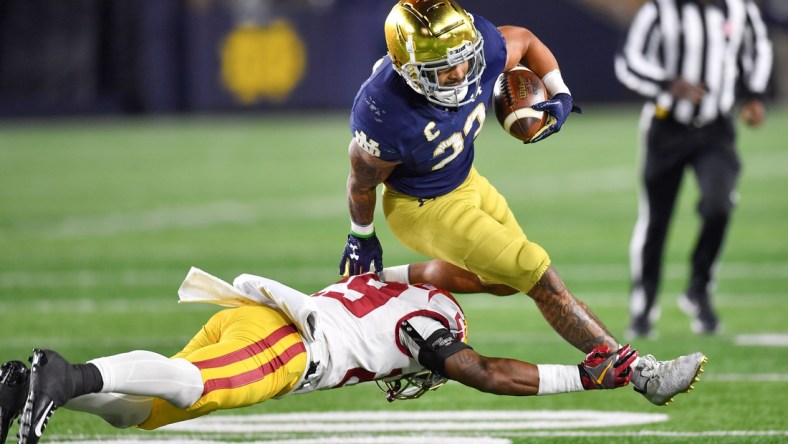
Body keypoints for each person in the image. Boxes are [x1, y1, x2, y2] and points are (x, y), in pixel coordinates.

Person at [338, 0, 707, 405]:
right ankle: (639, 372)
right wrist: (362, 236)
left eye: (462, 61)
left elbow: (527, 41)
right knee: (535, 271)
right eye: (441, 69)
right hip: (421, 205)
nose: (460, 73)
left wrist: (560, 92)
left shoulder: (480, 49)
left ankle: (386, 281)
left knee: (500, 282)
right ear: (409, 70)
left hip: (467, 181)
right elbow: (362, 176)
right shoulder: (385, 111)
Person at [2, 264, 705, 444]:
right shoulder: (431, 319)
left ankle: (32, 388)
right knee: (189, 386)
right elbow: (483, 373)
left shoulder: (392, 281)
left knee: (141, 415)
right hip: (290, 347)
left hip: (253, 316)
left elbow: (436, 270)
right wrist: (581, 377)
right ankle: (65, 374)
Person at [614, 0, 773, 338]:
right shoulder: (659, 10)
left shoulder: (739, 8)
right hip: (666, 126)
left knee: (719, 205)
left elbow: (757, 48)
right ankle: (643, 308)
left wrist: (755, 95)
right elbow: (629, 62)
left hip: (716, 129)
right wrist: (668, 83)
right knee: (656, 221)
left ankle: (698, 290)